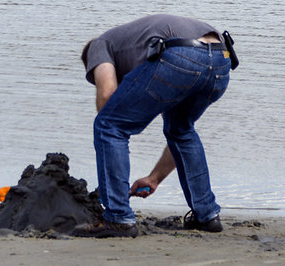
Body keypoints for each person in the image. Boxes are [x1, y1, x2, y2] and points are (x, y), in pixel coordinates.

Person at [72, 14, 233, 238]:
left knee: (109, 125)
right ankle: (206, 216)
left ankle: (118, 218)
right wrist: (154, 177)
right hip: (221, 58)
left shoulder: (98, 46)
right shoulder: (137, 48)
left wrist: (112, 148)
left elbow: (108, 95)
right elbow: (176, 135)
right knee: (181, 129)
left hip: (180, 54)